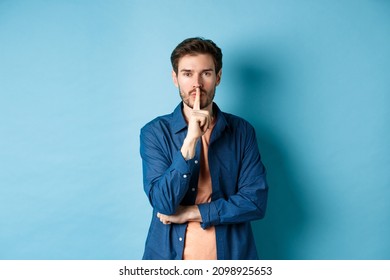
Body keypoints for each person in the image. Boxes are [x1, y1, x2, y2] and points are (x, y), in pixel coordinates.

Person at [139, 37, 268, 260]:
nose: (196, 84)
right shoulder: (154, 132)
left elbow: (255, 202)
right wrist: (189, 143)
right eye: (187, 74)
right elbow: (163, 203)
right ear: (175, 78)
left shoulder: (242, 131)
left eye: (206, 73)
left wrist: (192, 212)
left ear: (217, 78)